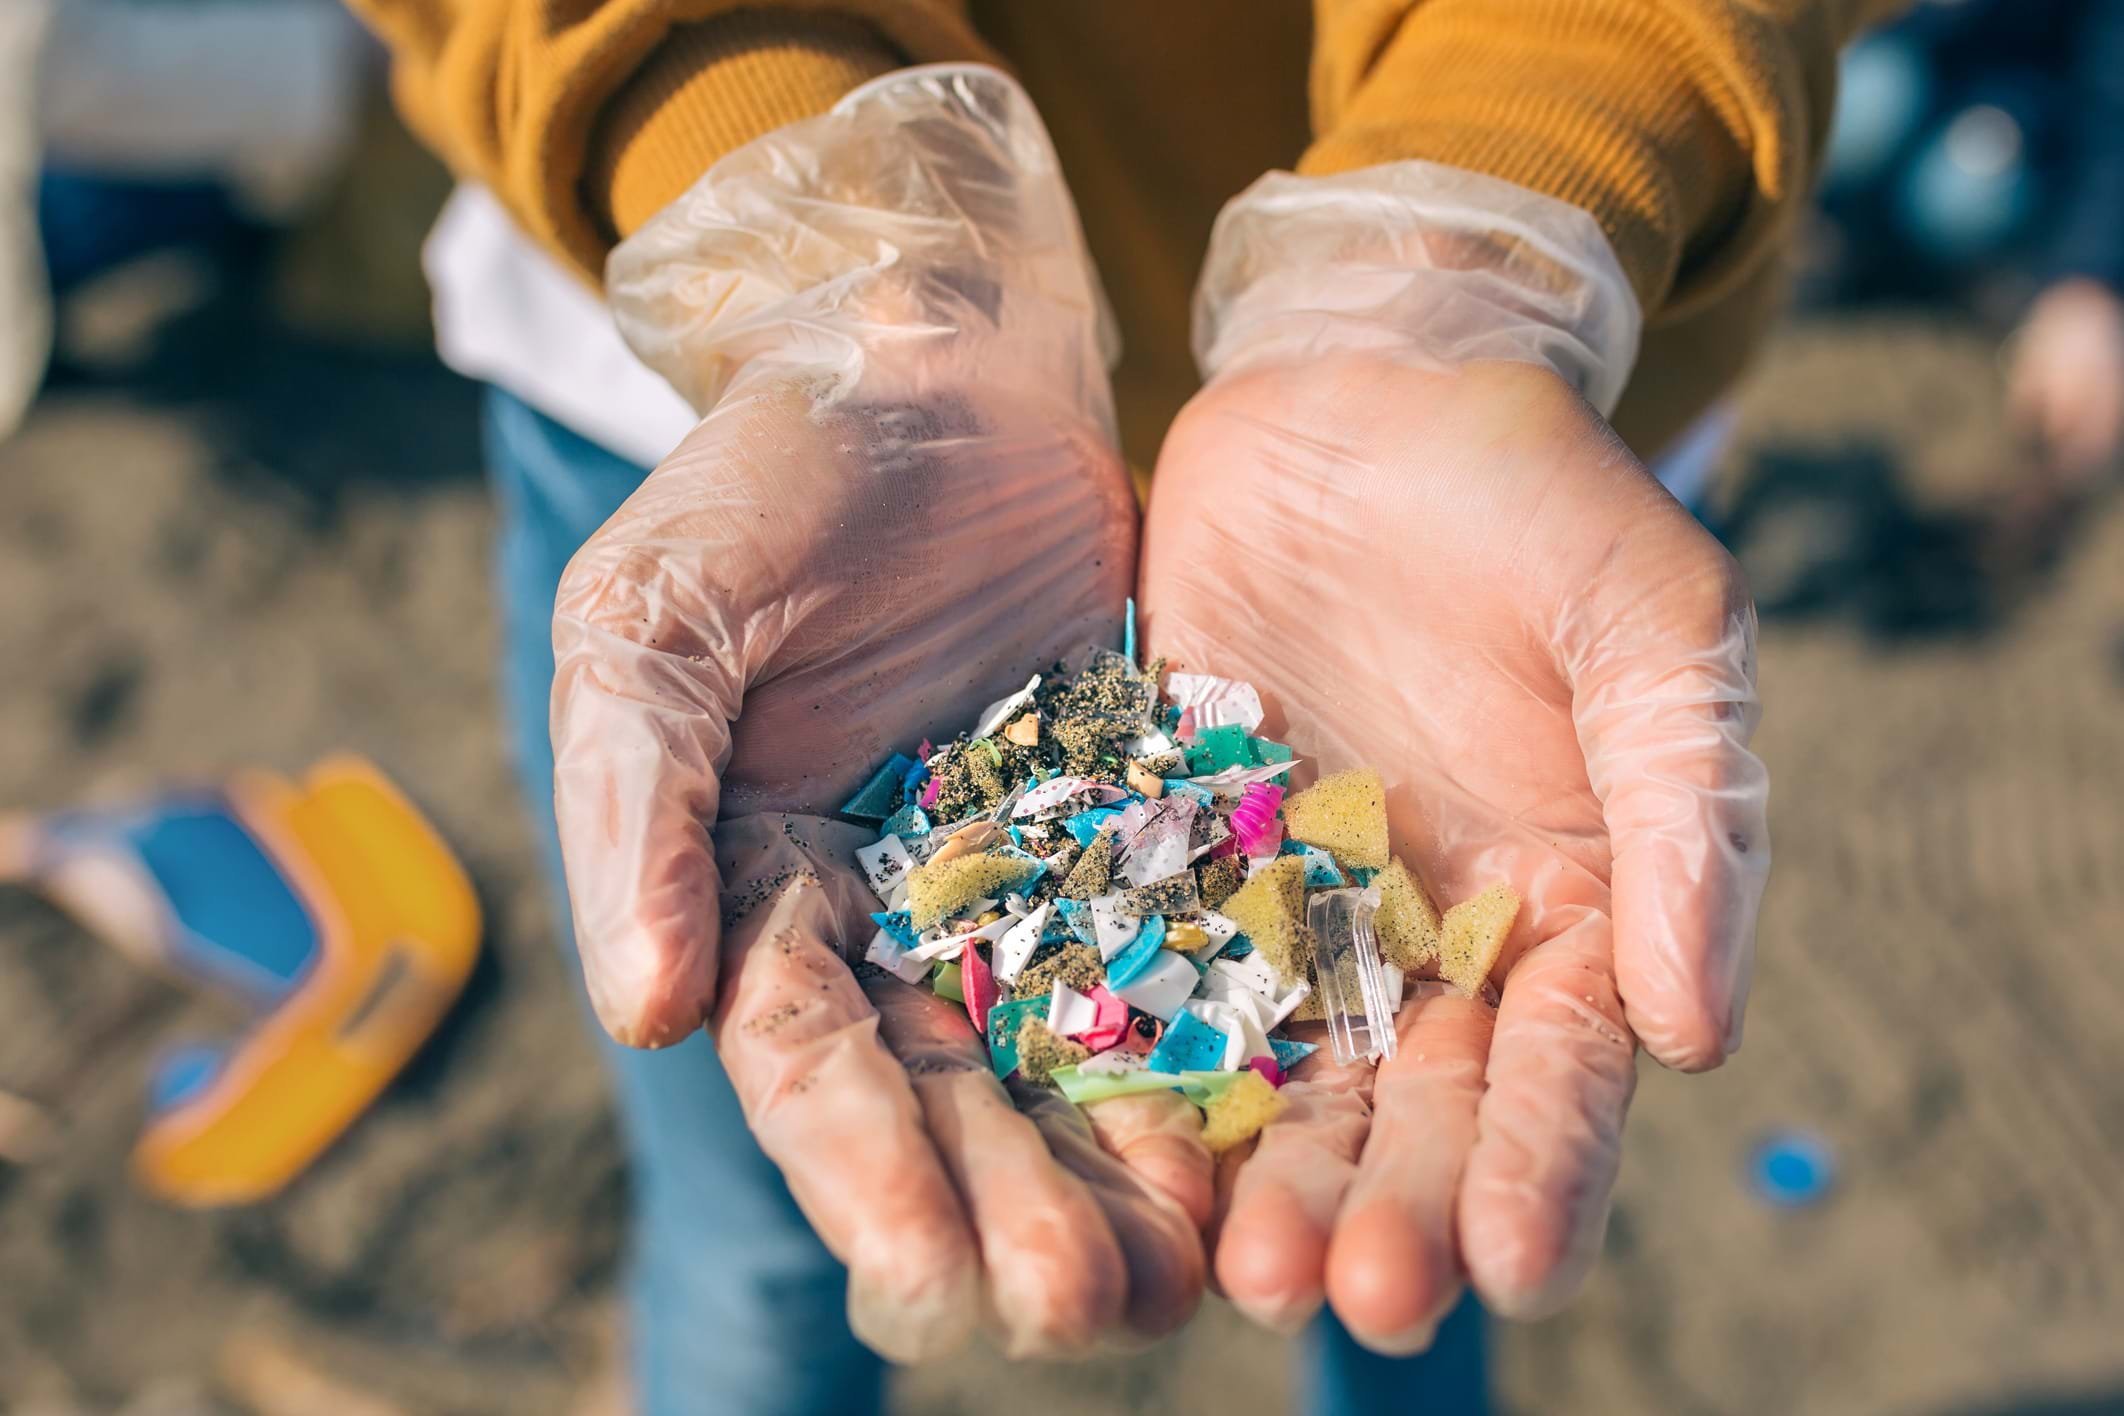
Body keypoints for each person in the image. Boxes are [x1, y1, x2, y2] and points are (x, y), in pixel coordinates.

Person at [337, 4, 1895, 1412]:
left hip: (1486, 451)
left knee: (1407, 1221)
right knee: (763, 1233)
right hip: (770, 403)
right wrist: (808, 229)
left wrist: (1477, 251)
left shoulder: (1306, 847)